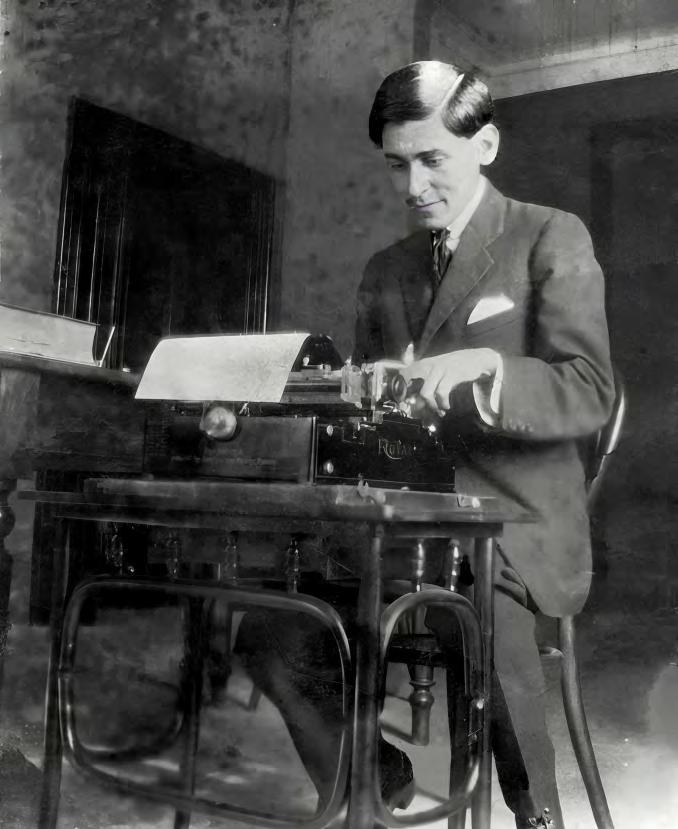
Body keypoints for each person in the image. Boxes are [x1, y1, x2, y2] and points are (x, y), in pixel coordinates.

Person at [236, 60, 614, 829]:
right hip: (403, 530)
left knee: (480, 603)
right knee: (271, 630)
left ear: (486, 146)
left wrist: (488, 368)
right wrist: (366, 391)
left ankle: (537, 815)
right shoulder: (386, 271)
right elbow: (373, 413)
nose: (412, 186)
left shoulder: (549, 235)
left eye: (431, 159)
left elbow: (588, 389)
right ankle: (376, 778)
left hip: (515, 526)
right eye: (397, 164)